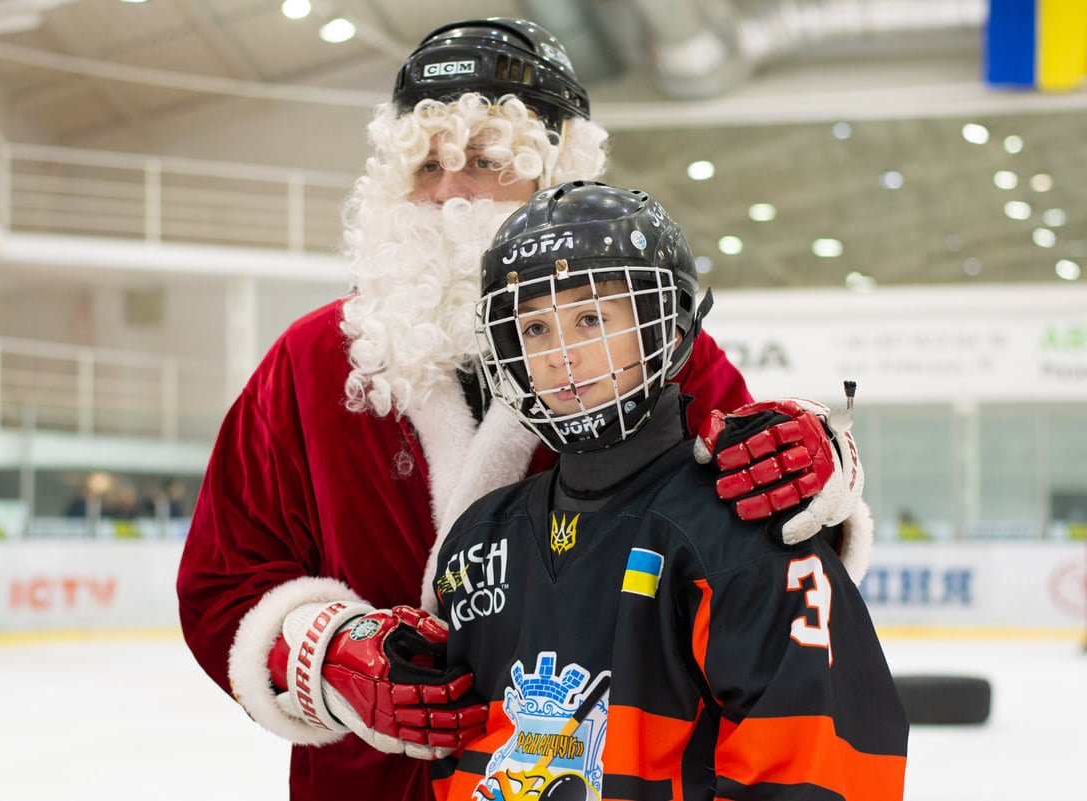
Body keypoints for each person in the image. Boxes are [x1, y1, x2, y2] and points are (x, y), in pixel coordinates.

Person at [176, 18, 872, 801]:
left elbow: (763, 541)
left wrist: (813, 467)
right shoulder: (307, 362)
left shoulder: (650, 344)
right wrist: (330, 652)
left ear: (556, 175)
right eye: (427, 165)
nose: (448, 192)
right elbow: (223, 579)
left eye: (483, 161)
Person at [429, 180, 906, 801]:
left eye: (590, 319)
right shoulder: (478, 537)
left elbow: (819, 772)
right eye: (535, 328)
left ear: (667, 326)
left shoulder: (743, 531)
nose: (560, 355)